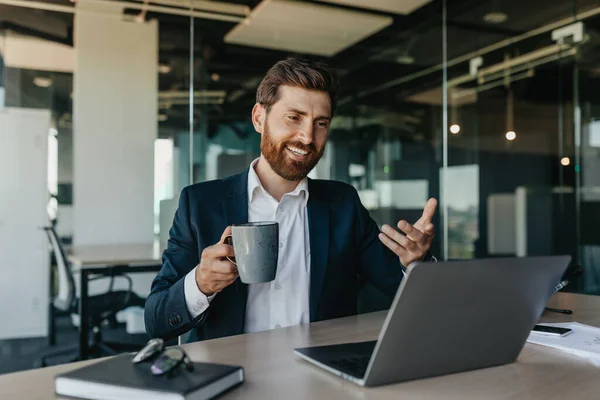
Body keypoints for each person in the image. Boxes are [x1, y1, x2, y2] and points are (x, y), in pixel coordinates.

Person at [145, 57, 437, 342]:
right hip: (231, 380)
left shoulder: (343, 203)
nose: (308, 137)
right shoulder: (199, 203)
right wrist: (200, 284)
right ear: (259, 118)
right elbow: (157, 321)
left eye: (321, 123)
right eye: (294, 117)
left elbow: (400, 287)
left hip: (320, 380)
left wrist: (415, 263)